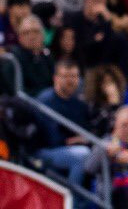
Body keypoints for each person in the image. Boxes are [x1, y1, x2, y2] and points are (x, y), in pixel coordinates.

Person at [35, 58, 94, 187]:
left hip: (70, 147)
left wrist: (82, 140)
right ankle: (72, 202)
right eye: (66, 76)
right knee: (82, 154)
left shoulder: (79, 103)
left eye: (74, 76)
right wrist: (76, 140)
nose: (71, 81)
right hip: (45, 151)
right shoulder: (46, 100)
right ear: (55, 78)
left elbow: (87, 130)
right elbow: (51, 139)